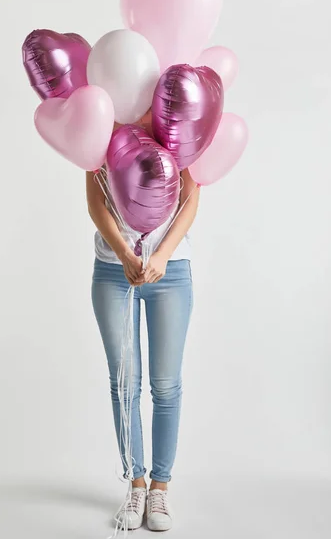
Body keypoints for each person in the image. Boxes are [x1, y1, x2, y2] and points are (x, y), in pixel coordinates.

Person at [86, 109, 199, 532]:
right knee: (123, 383)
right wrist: (123, 253)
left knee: (166, 385)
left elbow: (191, 198)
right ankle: (134, 484)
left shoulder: (179, 124)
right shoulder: (102, 126)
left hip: (171, 273)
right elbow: (95, 198)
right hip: (113, 271)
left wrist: (163, 256)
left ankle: (160, 490)